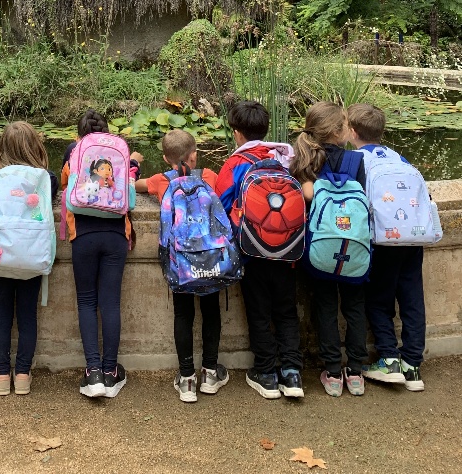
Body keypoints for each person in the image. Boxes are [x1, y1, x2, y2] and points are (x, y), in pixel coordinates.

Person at [213, 100, 303, 400]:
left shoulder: (236, 164)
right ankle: (292, 373)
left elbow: (220, 206)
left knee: (259, 310)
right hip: (288, 250)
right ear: (266, 128)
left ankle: (266, 373)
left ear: (237, 133)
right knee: (287, 311)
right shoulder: (285, 159)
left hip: (252, 251)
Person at [135, 128, 227, 402]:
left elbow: (135, 186)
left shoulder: (161, 180)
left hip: (180, 261)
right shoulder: (209, 177)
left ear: (165, 158)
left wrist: (133, 165)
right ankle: (210, 373)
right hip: (209, 257)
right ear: (195, 155)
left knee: (182, 314)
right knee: (211, 310)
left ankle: (186, 379)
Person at [61, 109, 142, 400]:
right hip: (116, 234)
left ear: (79, 134)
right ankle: (110, 372)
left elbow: (66, 184)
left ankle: (92, 372)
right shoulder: (118, 149)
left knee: (86, 301)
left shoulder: (74, 149)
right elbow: (129, 187)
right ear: (106, 131)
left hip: (83, 234)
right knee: (110, 303)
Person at [348, 103, 427, 391]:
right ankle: (412, 365)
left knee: (379, 299)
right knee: (412, 298)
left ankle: (389, 359)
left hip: (382, 239)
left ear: (352, 132)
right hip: (413, 237)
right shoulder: (399, 158)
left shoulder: (356, 160)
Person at [292, 101, 368, 397]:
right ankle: (356, 372)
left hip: (320, 249)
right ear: (338, 132)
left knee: (325, 306)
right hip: (353, 247)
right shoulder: (355, 161)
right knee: (355, 307)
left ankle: (333, 373)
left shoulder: (307, 158)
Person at [0, 121, 58, 396]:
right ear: (35, 146)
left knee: (1, 316)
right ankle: (24, 375)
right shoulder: (46, 178)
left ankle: (2, 376)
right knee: (28, 315)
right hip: (31, 253)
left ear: (3, 147)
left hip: (0, 252)